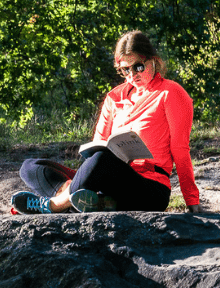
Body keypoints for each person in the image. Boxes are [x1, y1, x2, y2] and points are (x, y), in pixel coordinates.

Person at [11, 30, 201, 214]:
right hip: (108, 183)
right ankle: (89, 201)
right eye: (125, 70)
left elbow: (180, 150)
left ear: (153, 60)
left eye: (138, 67)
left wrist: (192, 200)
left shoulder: (170, 93)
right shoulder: (114, 98)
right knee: (30, 167)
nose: (132, 75)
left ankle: (54, 205)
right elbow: (95, 148)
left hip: (149, 188)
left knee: (103, 160)